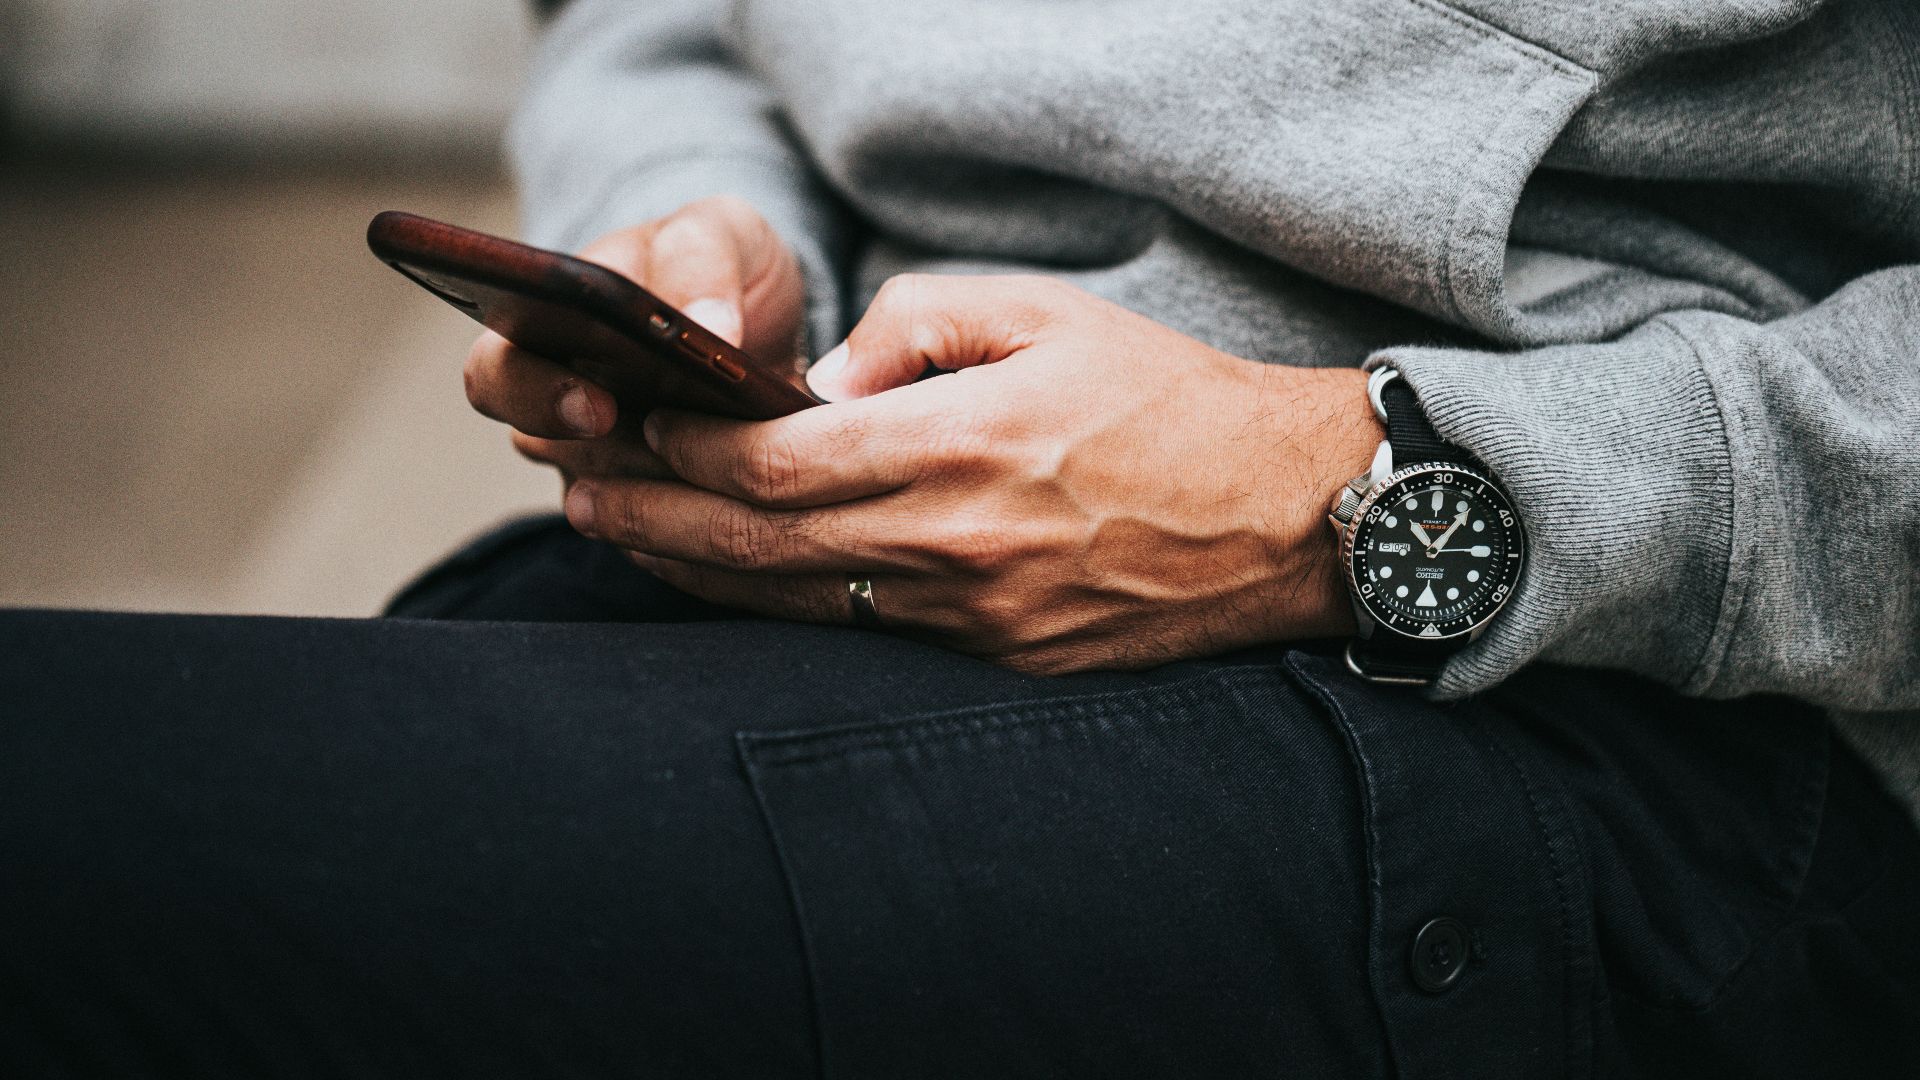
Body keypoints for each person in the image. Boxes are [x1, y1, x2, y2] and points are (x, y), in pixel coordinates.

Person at [3, 0, 1917, 1075]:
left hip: (1635, 698)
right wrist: (704, 220)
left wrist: (1351, 497)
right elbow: (652, 16)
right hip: (853, 500)